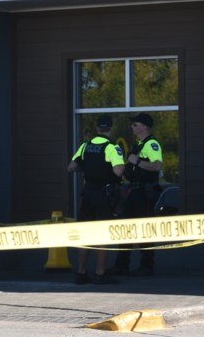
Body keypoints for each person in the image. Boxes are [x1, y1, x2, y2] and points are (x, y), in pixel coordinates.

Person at [67, 115, 125, 284]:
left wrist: (87, 166)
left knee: (85, 233)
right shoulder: (112, 148)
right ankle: (100, 273)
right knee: (103, 234)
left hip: (88, 195)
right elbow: (119, 171)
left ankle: (81, 272)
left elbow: (71, 167)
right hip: (104, 195)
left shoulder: (85, 146)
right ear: (110, 129)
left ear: (97, 129)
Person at [109, 112, 163, 276]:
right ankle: (121, 265)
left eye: (135, 124)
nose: (132, 127)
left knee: (144, 229)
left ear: (144, 127)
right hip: (133, 191)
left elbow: (157, 166)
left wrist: (137, 161)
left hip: (145, 193)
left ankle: (147, 266)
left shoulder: (152, 144)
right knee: (127, 228)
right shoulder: (139, 144)